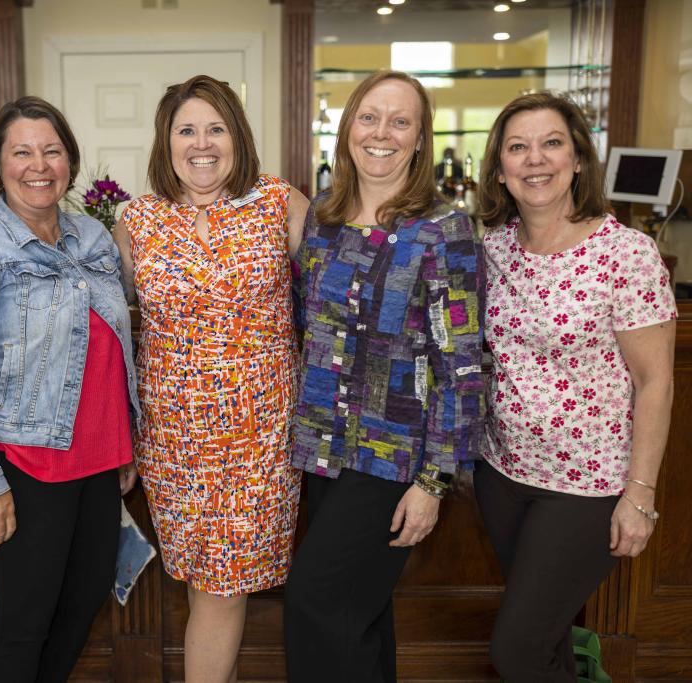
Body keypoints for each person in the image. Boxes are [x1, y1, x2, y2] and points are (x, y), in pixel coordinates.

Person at [0, 95, 140, 682]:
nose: (38, 164)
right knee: (24, 624)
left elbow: (110, 349)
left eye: (51, 151)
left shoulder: (93, 239)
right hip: (25, 470)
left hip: (98, 466)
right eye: (21, 152)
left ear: (70, 162)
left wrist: (124, 442)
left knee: (79, 611)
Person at [283, 70, 485, 683]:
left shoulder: (445, 231)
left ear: (420, 138)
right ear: (348, 129)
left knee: (314, 602)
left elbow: (463, 366)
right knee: (359, 618)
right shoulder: (321, 220)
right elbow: (305, 329)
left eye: (400, 121)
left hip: (393, 458)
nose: (382, 133)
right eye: (369, 117)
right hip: (323, 449)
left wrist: (434, 479)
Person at [114, 74, 309, 683]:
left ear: (238, 137)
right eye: (187, 130)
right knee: (203, 584)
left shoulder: (281, 203)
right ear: (166, 142)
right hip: (172, 443)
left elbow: (341, 301)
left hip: (259, 440)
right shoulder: (136, 222)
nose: (202, 143)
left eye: (216, 128)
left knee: (224, 588)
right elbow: (111, 335)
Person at [476, 91, 676, 682]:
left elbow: (656, 382)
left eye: (551, 143)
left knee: (515, 650)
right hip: (503, 476)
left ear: (579, 159)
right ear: (501, 169)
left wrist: (640, 494)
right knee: (547, 641)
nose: (535, 160)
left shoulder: (627, 254)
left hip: (587, 487)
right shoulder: (494, 248)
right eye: (518, 147)